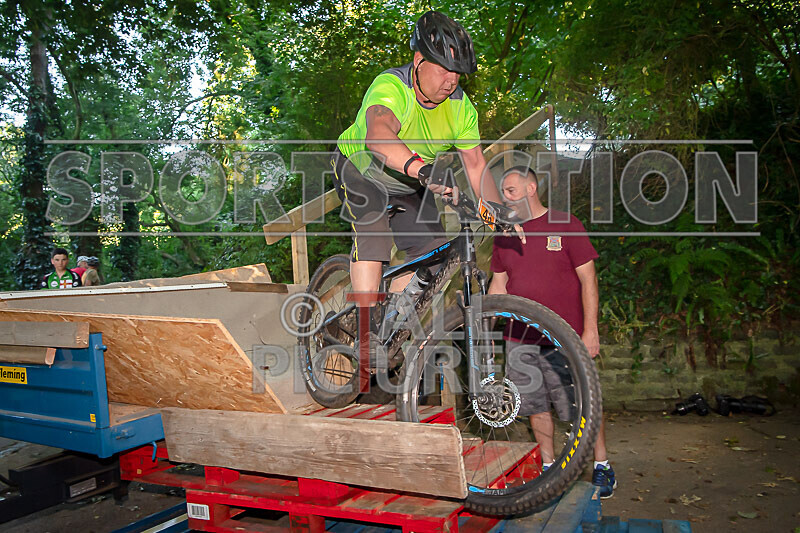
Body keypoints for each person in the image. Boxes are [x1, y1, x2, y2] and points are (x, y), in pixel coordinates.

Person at [333, 10, 505, 317]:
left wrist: (498, 213)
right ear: (418, 61)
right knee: (374, 239)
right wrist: (422, 169)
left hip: (409, 179)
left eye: (458, 73)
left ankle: (389, 324)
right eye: (443, 69)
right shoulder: (393, 87)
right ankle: (363, 329)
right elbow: (379, 135)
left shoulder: (462, 110)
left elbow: (476, 164)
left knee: (434, 253)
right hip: (361, 168)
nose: (451, 81)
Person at [488, 166, 617, 499]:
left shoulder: (565, 224)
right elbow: (498, 285)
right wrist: (482, 326)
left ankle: (601, 466)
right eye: (503, 192)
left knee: (583, 404)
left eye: (511, 190)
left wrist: (590, 331)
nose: (505, 197)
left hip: (566, 337)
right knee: (534, 405)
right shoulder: (504, 234)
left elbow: (589, 279)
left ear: (531, 188)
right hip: (520, 339)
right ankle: (548, 467)